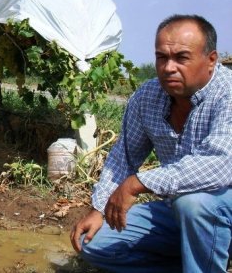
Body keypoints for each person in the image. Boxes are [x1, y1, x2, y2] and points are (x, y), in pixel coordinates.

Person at [70, 14, 232, 272]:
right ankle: (192, 261)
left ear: (211, 60)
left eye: (182, 58)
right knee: (94, 243)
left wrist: (139, 183)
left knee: (195, 203)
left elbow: (220, 165)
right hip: (178, 212)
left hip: (219, 209)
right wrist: (98, 209)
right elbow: (124, 157)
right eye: (162, 57)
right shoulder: (148, 97)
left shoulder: (228, 94)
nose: (168, 67)